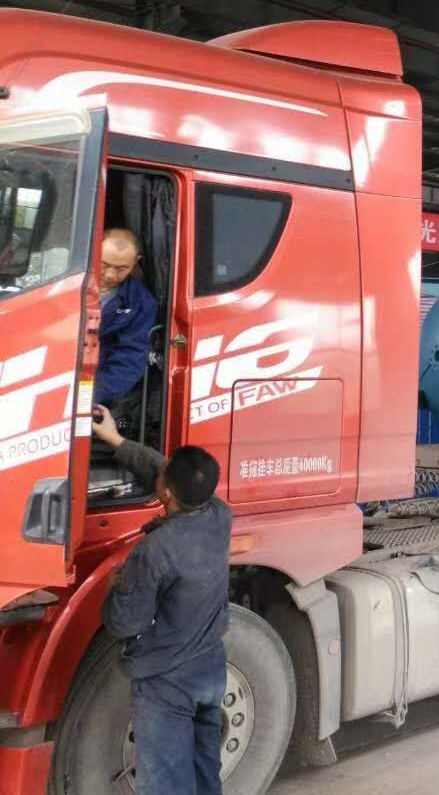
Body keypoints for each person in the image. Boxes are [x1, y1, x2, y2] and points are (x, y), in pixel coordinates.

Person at [93, 404, 231, 795]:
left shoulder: (155, 550)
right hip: (210, 668)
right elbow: (165, 470)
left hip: (168, 680)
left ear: (166, 492)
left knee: (165, 784)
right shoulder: (220, 515)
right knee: (205, 772)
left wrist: (114, 586)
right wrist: (116, 440)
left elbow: (125, 623)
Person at [96, 227, 158, 410]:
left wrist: (95, 394)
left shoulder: (141, 303)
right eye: (104, 265)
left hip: (97, 383)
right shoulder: (66, 285)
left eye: (121, 269)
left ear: (135, 262)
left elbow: (130, 357)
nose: (110, 275)